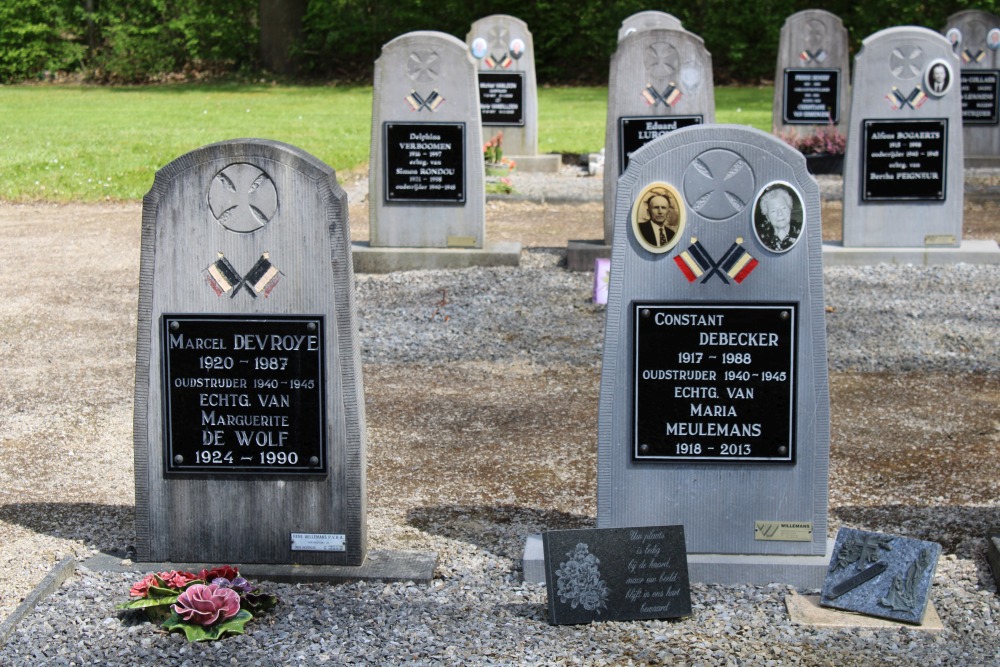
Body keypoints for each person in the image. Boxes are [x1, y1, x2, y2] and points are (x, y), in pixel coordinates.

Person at [755, 186, 801, 251]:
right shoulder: (759, 235)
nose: (780, 214)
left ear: (790, 209)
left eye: (783, 208)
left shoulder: (802, 229)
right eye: (773, 211)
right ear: (767, 216)